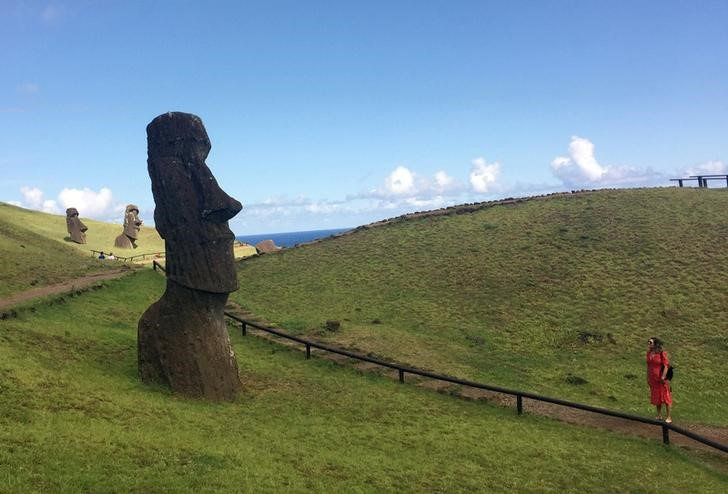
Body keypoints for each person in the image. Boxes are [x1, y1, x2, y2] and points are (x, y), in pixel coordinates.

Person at [646, 337, 672, 423]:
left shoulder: (661, 353)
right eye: (648, 342)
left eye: (650, 342)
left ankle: (669, 416)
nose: (649, 344)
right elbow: (648, 366)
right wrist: (648, 377)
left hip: (661, 378)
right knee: (657, 396)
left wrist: (663, 377)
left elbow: (666, 365)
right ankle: (659, 414)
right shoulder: (649, 353)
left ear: (655, 344)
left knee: (666, 396)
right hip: (653, 378)